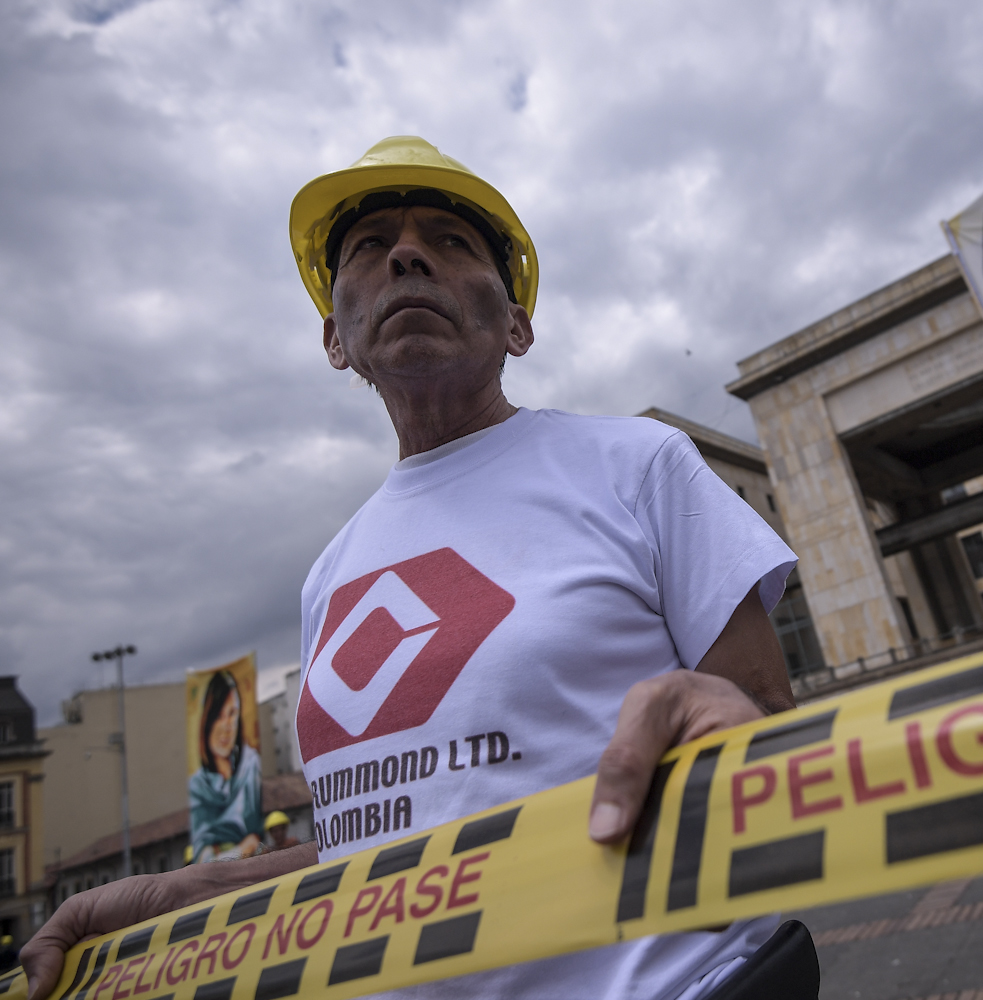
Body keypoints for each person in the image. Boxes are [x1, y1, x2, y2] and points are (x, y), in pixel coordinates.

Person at [22, 137, 810, 1000]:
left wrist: (741, 736)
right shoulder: (328, 578)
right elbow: (377, 857)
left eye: (450, 240)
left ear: (518, 324)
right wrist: (182, 897)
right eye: (370, 246)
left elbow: (773, 732)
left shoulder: (638, 465)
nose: (406, 254)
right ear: (336, 339)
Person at [187, 670, 262, 862]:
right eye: (219, 716)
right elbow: (203, 859)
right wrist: (244, 849)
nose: (227, 726)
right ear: (207, 721)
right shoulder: (199, 786)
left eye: (232, 713)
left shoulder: (250, 767)